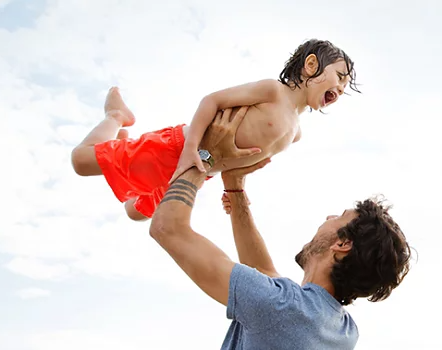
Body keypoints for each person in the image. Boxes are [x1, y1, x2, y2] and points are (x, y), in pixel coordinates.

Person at [149, 108, 412, 349]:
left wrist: (205, 155)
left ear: (342, 244)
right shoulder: (342, 330)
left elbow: (167, 228)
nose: (329, 216)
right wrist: (234, 186)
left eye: (339, 217)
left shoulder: (282, 308)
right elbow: (265, 276)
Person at [70, 39, 359, 221]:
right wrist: (188, 148)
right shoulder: (274, 91)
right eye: (340, 77)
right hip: (179, 148)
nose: (342, 88)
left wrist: (232, 189)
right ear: (311, 65)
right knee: (81, 162)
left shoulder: (296, 134)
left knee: (136, 213)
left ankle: (124, 144)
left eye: (345, 86)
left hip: (202, 172)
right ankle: (116, 116)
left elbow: (242, 160)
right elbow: (212, 100)